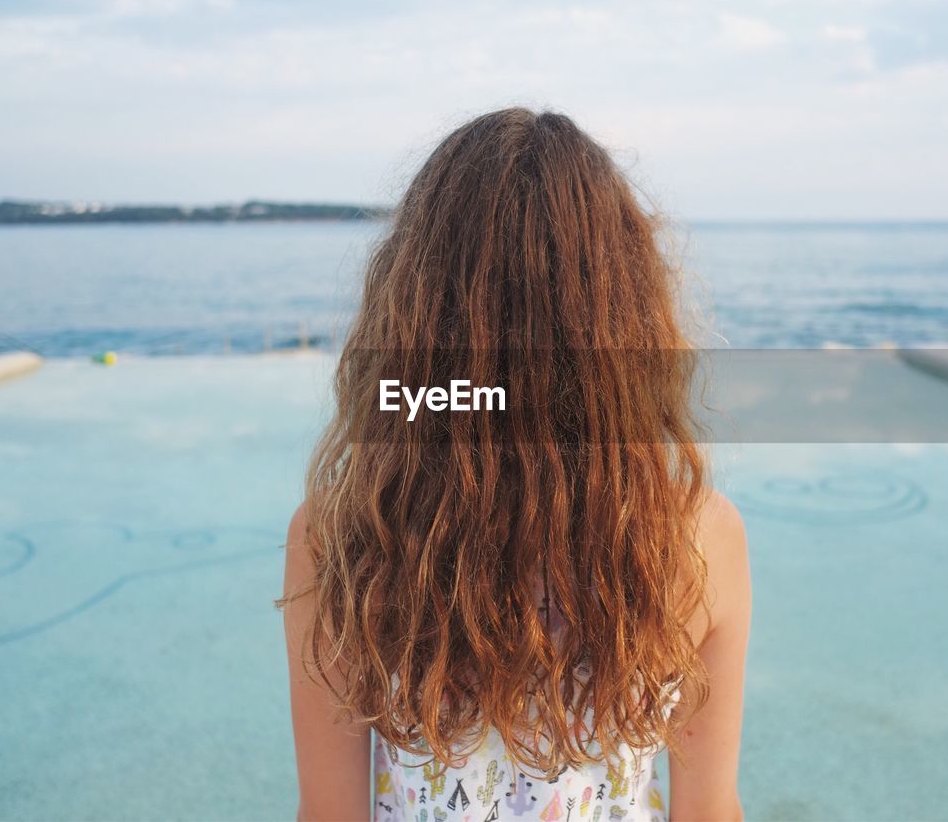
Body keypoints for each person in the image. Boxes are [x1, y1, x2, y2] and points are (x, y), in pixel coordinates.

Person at [280, 108, 751, 821]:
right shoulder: (696, 536)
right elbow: (709, 811)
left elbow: (328, 814)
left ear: (411, 311)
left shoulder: (342, 538)